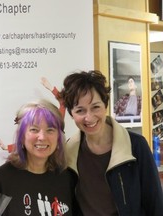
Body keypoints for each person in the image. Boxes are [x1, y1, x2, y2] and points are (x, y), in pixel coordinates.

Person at [60, 70, 163, 215]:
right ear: (71, 114)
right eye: (80, 111)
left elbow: (155, 204)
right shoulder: (68, 152)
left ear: (105, 105)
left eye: (96, 107)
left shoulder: (136, 146)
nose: (89, 117)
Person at [0, 99, 79, 216]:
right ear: (21, 136)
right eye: (34, 129)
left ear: (58, 137)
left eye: (50, 130)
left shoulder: (69, 178)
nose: (42, 137)